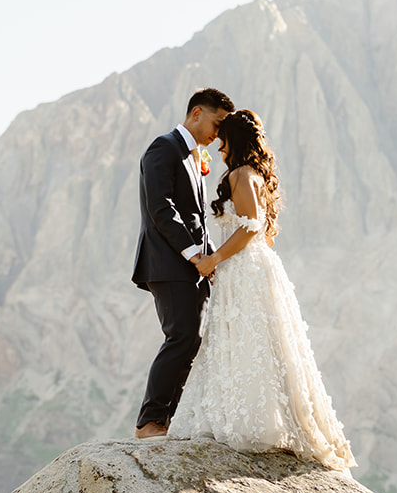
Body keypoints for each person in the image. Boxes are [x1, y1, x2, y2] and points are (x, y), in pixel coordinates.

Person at [167, 109, 356, 472]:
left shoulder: (240, 175)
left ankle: (249, 421)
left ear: (234, 142)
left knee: (247, 340)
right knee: (255, 341)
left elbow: (251, 226)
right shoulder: (255, 175)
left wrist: (215, 260)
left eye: (223, 141)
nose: (219, 147)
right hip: (251, 267)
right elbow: (263, 230)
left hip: (242, 268)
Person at [131, 88, 234, 439]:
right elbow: (161, 209)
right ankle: (149, 421)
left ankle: (167, 419)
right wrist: (194, 255)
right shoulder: (164, 148)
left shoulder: (194, 156)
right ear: (195, 113)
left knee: (192, 339)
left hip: (193, 264)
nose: (219, 131)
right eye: (217, 122)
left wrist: (210, 258)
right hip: (168, 262)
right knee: (181, 335)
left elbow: (197, 219)